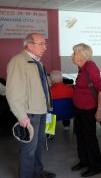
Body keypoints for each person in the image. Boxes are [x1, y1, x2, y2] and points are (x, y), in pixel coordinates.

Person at [6, 33, 56, 178]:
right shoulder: (18, 61)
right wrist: (21, 116)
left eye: (45, 44)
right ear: (29, 44)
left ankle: (38, 172)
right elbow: (12, 92)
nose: (45, 48)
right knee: (28, 149)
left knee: (39, 146)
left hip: (41, 111)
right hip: (29, 114)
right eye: (42, 44)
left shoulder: (38, 62)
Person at [70, 43, 101, 177]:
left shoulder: (91, 67)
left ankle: (96, 167)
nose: (72, 55)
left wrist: (99, 111)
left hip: (88, 110)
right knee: (80, 136)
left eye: (74, 52)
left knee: (89, 138)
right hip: (79, 109)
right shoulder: (81, 67)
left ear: (81, 55)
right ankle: (84, 161)